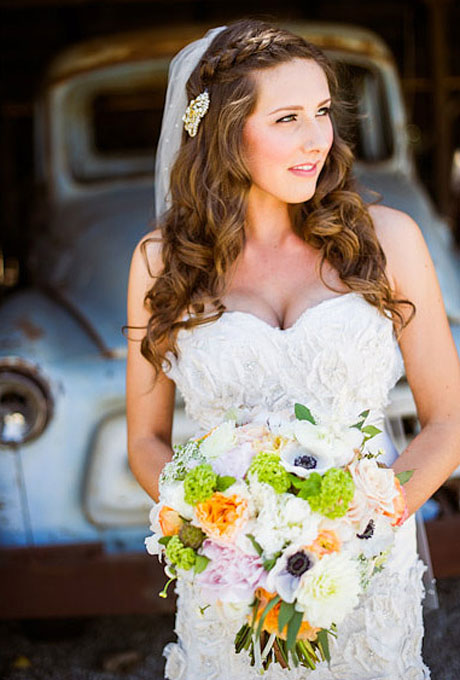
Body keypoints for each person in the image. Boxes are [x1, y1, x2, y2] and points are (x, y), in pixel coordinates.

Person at [125, 19, 460, 680]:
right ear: (224, 132)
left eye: (322, 112)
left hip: (363, 572)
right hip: (228, 579)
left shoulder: (388, 239)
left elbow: (449, 422)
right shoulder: (160, 263)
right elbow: (145, 441)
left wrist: (349, 533)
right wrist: (226, 534)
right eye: (286, 118)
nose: (316, 140)